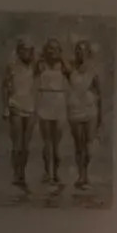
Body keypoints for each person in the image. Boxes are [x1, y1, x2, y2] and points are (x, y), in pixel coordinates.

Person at [1, 36, 36, 188]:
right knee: (17, 143)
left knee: (26, 145)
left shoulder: (34, 66)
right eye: (24, 50)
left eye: (29, 50)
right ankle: (16, 173)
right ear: (19, 51)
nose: (27, 53)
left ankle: (22, 172)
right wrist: (5, 107)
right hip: (15, 106)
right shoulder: (12, 66)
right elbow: (5, 87)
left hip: (30, 108)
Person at [66, 40, 102, 190]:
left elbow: (99, 93)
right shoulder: (70, 68)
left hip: (90, 109)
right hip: (75, 109)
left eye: (83, 50)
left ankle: (86, 173)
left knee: (88, 144)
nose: (80, 53)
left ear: (88, 52)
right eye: (78, 50)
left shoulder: (93, 71)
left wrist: (100, 114)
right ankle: (81, 175)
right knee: (79, 144)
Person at [35, 38, 68, 186]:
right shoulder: (41, 64)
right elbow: (32, 75)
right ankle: (48, 172)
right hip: (45, 100)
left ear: (59, 50)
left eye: (55, 48)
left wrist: (61, 58)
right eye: (49, 48)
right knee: (47, 141)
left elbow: (70, 73)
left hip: (59, 101)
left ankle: (56, 172)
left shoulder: (63, 65)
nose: (52, 51)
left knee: (56, 143)